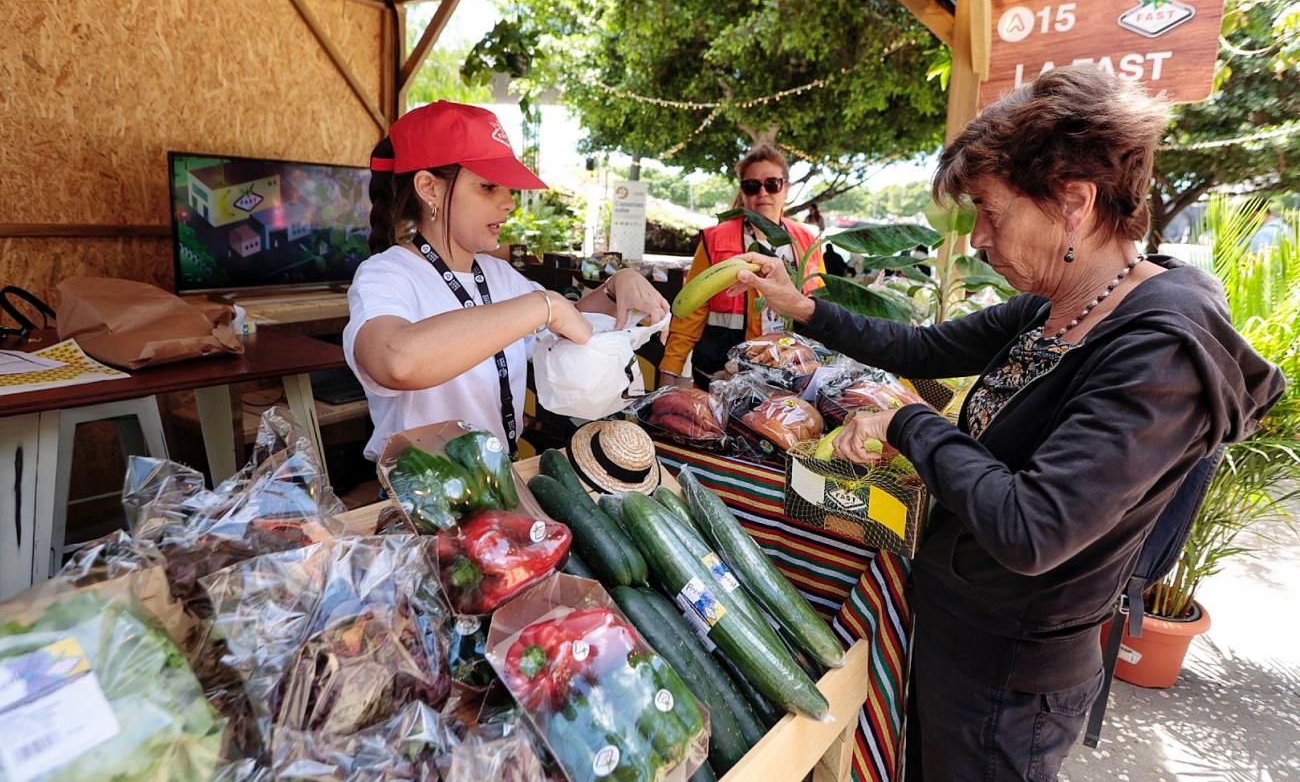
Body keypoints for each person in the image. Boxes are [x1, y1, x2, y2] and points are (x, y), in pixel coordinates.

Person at [731, 67, 1285, 781]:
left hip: (1010, 679)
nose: (981, 238)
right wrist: (805, 308)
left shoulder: (1158, 353)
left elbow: (1033, 528)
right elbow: (925, 347)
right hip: (962, 629)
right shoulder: (1062, 303)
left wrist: (908, 423)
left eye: (991, 211)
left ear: (1074, 202)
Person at [344, 100, 669, 461]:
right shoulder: (386, 275)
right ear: (429, 188)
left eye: (508, 189)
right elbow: (395, 362)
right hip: (423, 496)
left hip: (498, 485)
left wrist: (614, 287)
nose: (509, 203)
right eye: (488, 187)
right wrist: (542, 305)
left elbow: (563, 322)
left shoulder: (498, 276)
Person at [660, 145, 824, 389]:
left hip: (791, 372)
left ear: (786, 188)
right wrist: (670, 368)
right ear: (743, 191)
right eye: (752, 186)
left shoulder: (807, 240)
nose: (762, 193)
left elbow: (821, 306)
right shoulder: (716, 239)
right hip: (722, 372)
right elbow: (691, 309)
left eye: (772, 184)